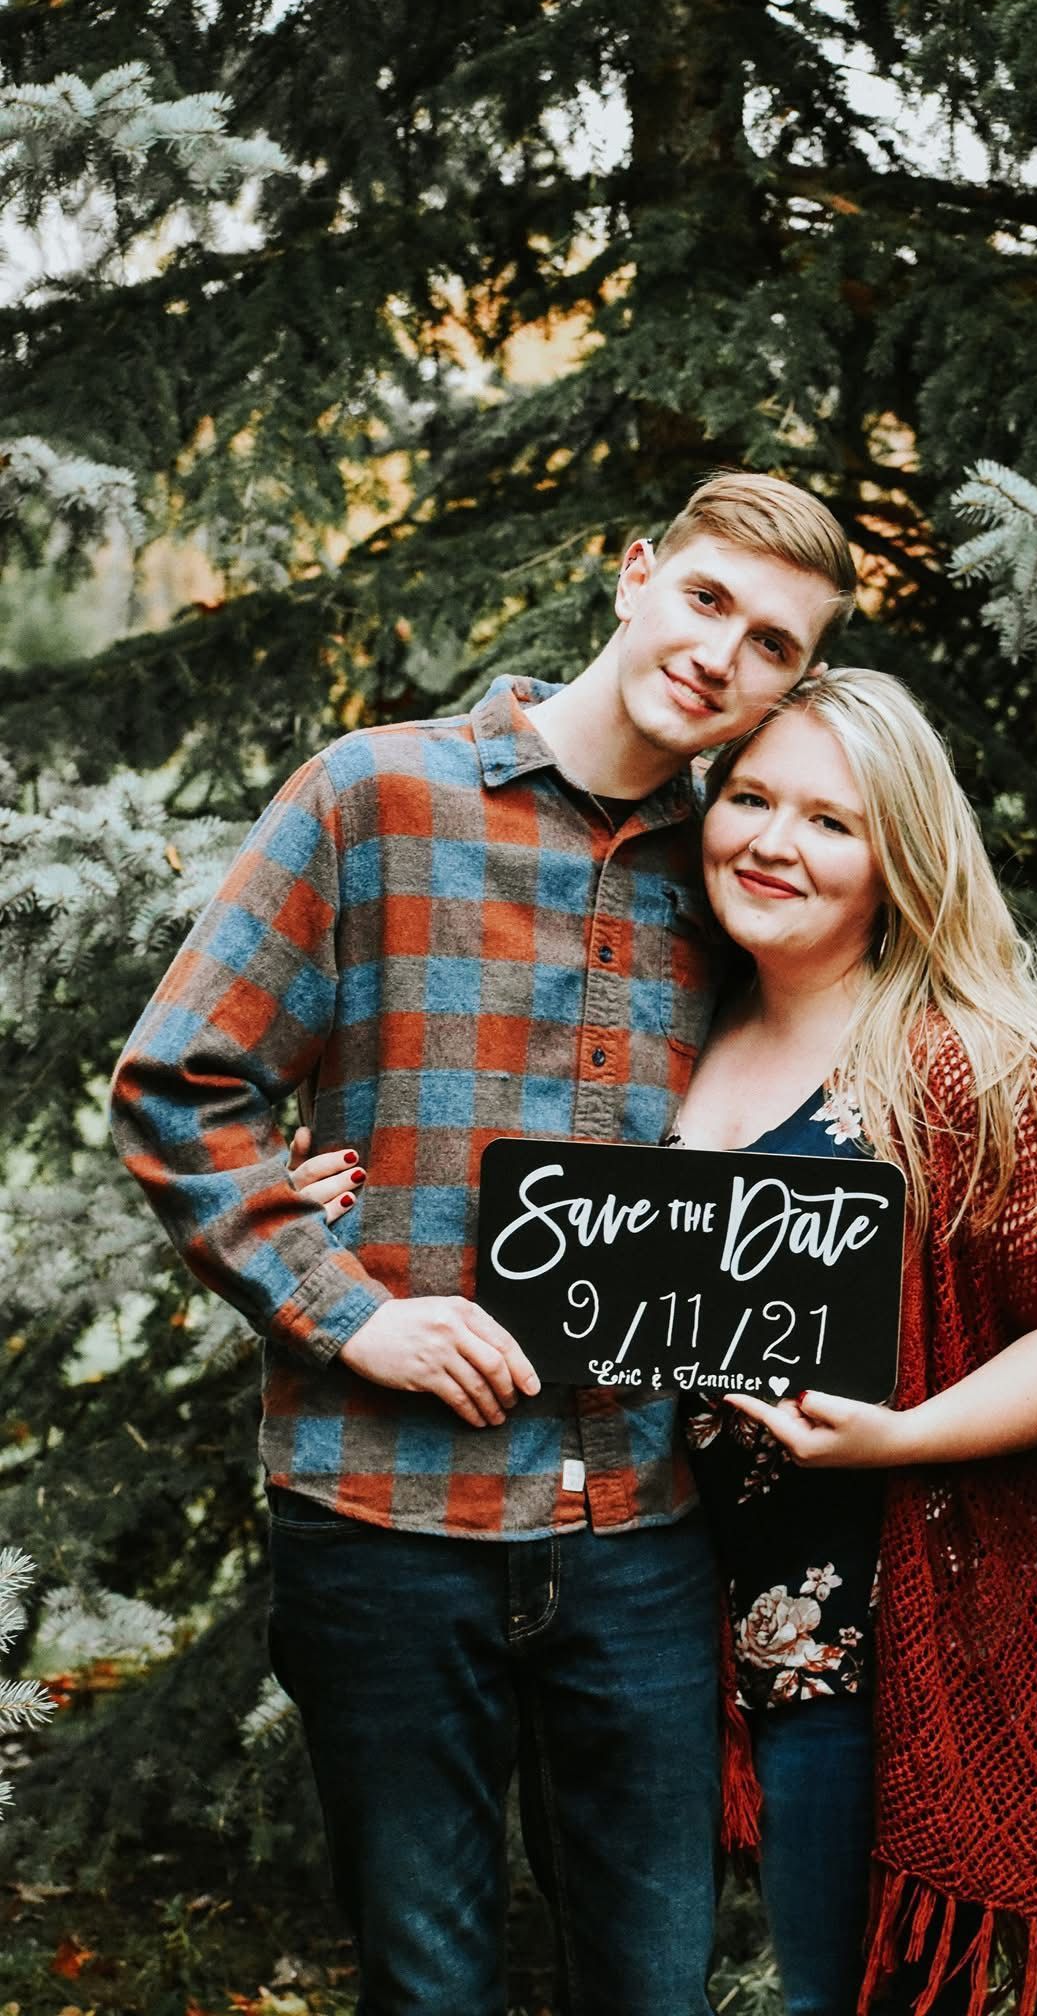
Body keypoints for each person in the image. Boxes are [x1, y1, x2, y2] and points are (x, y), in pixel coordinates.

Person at [294, 667, 1037, 2016]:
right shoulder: (677, 1015)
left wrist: (903, 1434)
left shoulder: (962, 1067)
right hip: (654, 1621)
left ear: (901, 858)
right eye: (749, 797)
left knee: (836, 1997)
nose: (771, 840)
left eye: (830, 820)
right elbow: (504, 1179)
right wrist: (320, 1192)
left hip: (852, 1653)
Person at [109, 471, 857, 2016]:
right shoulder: (374, 795)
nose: (723, 656)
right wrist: (341, 1304)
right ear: (636, 573)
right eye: (708, 601)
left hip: (642, 1527)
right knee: (427, 1983)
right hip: (381, 1513)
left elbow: (819, 1106)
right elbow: (182, 1082)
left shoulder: (739, 875)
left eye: (774, 645)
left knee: (652, 1985)